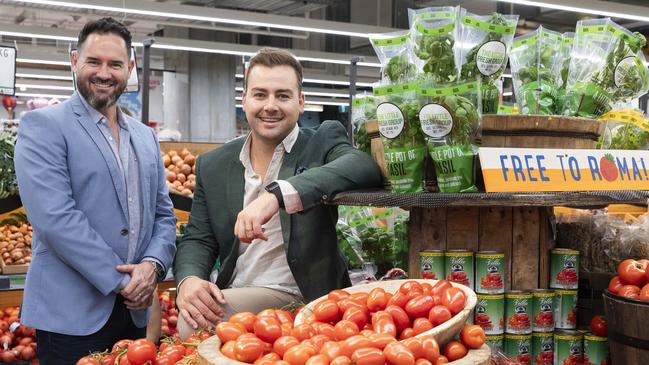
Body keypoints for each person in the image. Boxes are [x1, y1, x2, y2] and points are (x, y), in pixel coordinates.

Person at [173, 47, 383, 337]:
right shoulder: (214, 164)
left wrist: (278, 195)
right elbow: (198, 238)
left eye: (282, 95)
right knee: (195, 312)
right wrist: (190, 281)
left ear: (301, 102)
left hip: (306, 297)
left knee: (194, 324)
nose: (270, 105)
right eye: (260, 94)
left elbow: (362, 166)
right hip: (237, 290)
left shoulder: (321, 141)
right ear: (244, 100)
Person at [14, 17, 176, 363]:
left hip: (134, 313)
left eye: (115, 64)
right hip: (72, 316)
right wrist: (125, 282)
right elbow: (56, 219)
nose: (104, 73)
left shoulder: (145, 137)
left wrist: (152, 265)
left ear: (129, 68)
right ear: (75, 61)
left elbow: (164, 214)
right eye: (94, 61)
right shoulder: (44, 126)